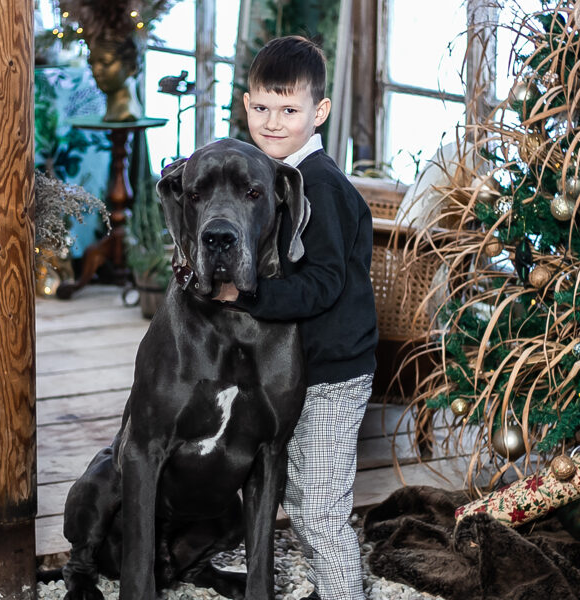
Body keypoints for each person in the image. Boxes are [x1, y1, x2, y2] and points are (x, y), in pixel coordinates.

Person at [215, 35, 378, 600]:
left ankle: (343, 593)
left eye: (289, 110)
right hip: (294, 370)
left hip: (333, 374)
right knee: (294, 491)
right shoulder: (271, 175)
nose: (272, 122)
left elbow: (323, 283)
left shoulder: (321, 186)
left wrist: (247, 296)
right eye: (262, 107)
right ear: (245, 104)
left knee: (318, 507)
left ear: (319, 111)